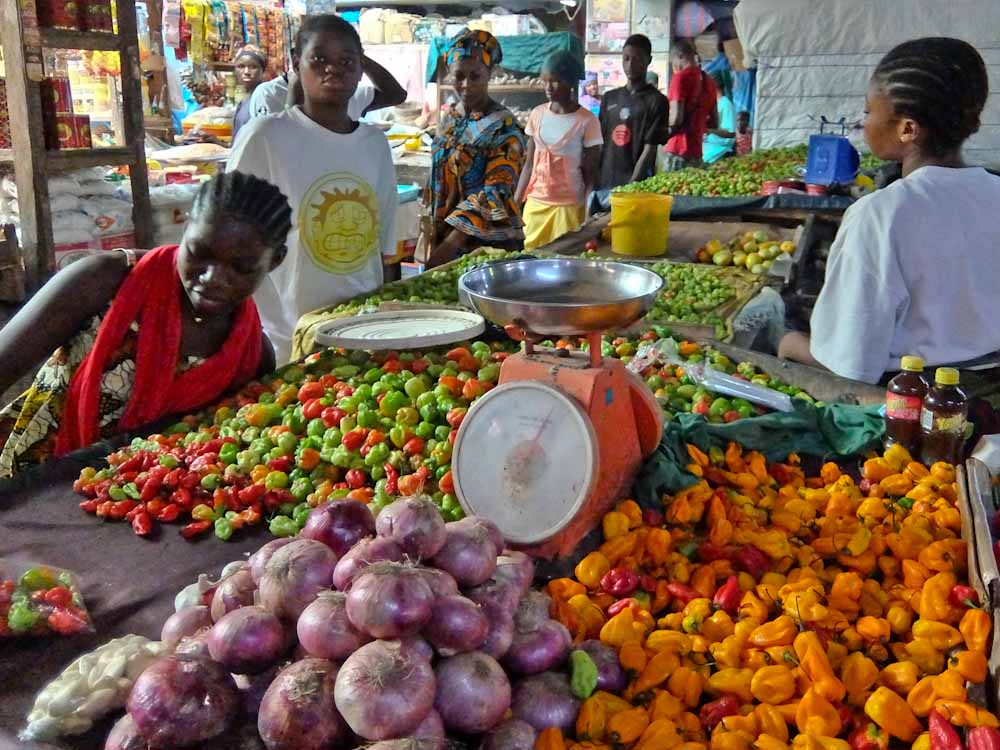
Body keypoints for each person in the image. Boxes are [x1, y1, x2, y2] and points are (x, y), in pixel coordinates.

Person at [0, 172, 292, 478]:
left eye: (240, 267)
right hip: (24, 480)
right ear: (186, 227)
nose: (212, 278)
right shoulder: (104, 282)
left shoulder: (251, 357)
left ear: (275, 261)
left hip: (133, 498)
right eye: (199, 253)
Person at [777, 37, 1000, 385]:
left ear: (907, 128)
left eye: (868, 111)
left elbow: (851, 365)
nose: (862, 122)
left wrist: (789, 343)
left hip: (911, 403)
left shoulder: (880, 215)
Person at [228, 14, 398, 365]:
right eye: (319, 58)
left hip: (361, 331)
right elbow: (228, 237)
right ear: (296, 63)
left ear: (360, 68)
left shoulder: (375, 144)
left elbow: (379, 243)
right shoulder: (265, 137)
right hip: (289, 339)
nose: (333, 69)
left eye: (347, 61)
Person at [424, 30, 526, 268]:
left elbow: (494, 193)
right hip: (444, 239)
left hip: (482, 249)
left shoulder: (504, 128)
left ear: (490, 73)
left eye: (475, 76)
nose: (466, 85)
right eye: (459, 76)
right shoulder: (452, 117)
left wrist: (447, 248)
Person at [515, 51, 603, 250]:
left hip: (568, 208)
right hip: (535, 206)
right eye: (545, 80)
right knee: (529, 256)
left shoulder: (587, 121)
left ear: (571, 82)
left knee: (565, 258)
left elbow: (591, 174)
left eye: (555, 81)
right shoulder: (537, 115)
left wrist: (589, 215)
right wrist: (515, 203)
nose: (548, 87)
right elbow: (529, 164)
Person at [248, 46, 406, 124]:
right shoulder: (268, 94)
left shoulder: (345, 93)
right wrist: (295, 91)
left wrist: (362, 59)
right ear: (297, 62)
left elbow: (396, 95)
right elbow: (281, 146)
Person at [596, 34, 669, 196]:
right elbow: (600, 142)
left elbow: (650, 149)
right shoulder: (609, 98)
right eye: (626, 59)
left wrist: (631, 186)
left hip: (637, 186)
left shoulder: (657, 101)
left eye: (637, 59)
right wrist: (595, 178)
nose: (630, 65)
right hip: (605, 181)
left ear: (649, 60)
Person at [660, 39, 717, 172]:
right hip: (697, 153)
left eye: (673, 62)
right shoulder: (709, 82)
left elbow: (676, 118)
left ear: (680, 56)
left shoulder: (680, 78)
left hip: (678, 150)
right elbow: (714, 122)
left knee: (672, 186)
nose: (674, 67)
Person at [231, 45, 267, 140]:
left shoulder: (264, 99)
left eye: (253, 67)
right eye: (241, 66)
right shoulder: (245, 100)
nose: (246, 72)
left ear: (262, 71)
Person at [702, 70, 737, 164]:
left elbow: (730, 134)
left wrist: (707, 131)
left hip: (719, 153)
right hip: (709, 152)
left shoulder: (725, 104)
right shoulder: (713, 103)